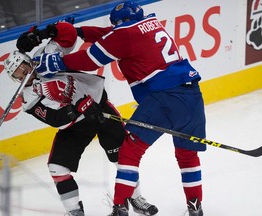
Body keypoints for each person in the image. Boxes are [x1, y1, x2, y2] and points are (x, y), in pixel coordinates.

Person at [32, 1, 206, 216]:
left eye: (116, 24)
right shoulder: (149, 24)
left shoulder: (123, 34)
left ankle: (120, 209)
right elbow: (110, 35)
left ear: (121, 21)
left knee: (129, 154)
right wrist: (79, 31)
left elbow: (90, 59)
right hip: (193, 96)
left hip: (163, 98)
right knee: (188, 157)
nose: (114, 28)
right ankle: (195, 208)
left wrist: (57, 62)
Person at [5, 21, 158, 216]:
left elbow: (68, 35)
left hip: (99, 109)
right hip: (74, 126)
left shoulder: (44, 57)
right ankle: (75, 211)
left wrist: (42, 34)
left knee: (123, 157)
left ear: (28, 62)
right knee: (57, 168)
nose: (24, 75)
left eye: (23, 68)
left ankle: (136, 198)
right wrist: (78, 109)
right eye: (18, 75)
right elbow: (55, 119)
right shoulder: (27, 97)